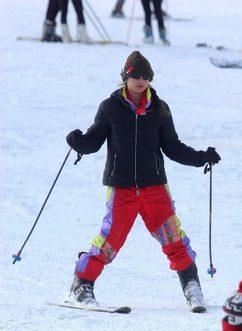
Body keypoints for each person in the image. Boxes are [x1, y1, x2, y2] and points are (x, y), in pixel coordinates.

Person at [65, 51, 221, 312]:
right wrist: (79, 143)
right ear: (125, 76)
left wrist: (200, 157)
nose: (140, 80)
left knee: (173, 238)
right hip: (122, 187)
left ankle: (192, 284)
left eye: (146, 76)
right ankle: (81, 285)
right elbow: (94, 139)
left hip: (154, 186)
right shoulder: (110, 107)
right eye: (135, 75)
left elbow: (172, 146)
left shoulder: (159, 109)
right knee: (109, 239)